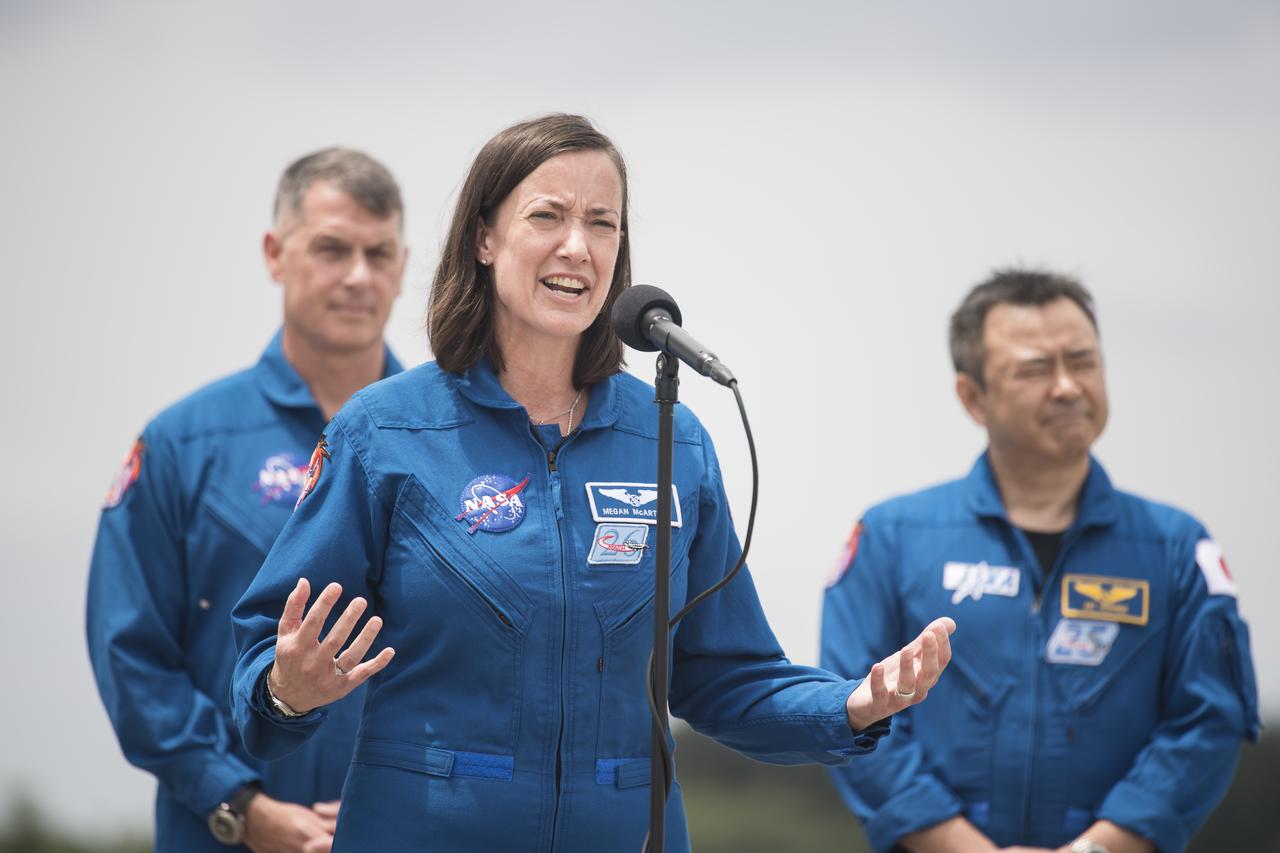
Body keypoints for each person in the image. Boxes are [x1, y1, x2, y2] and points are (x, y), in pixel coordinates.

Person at [229, 113, 957, 852]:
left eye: (602, 222)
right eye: (547, 215)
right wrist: (287, 690)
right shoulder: (384, 433)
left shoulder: (672, 440)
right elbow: (266, 648)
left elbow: (725, 676)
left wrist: (852, 706)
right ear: (484, 238)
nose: (577, 245)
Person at [821, 269, 1261, 853]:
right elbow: (851, 711)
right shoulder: (891, 537)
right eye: (1034, 369)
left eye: (1082, 361)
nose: (1067, 387)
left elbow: (1208, 721)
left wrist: (1097, 849)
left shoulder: (1176, 547)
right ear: (972, 397)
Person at [86, 148, 409, 852]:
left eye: (379, 253)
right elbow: (131, 655)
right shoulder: (183, 444)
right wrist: (236, 802)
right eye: (332, 249)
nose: (359, 276)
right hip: (227, 835)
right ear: (274, 253)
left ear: (404, 266)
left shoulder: (448, 443)